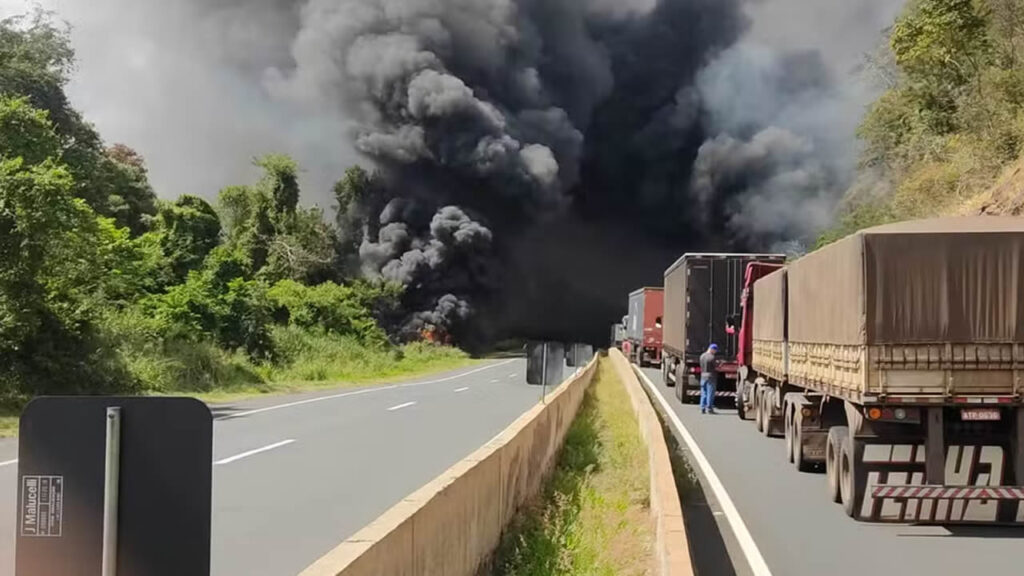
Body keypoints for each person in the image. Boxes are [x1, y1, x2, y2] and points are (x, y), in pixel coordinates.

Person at [699, 343, 720, 414]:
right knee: (710, 393)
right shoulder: (712, 357)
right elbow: (716, 366)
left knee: (703, 392)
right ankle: (709, 408)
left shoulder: (702, 356)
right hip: (711, 376)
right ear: (712, 349)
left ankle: (702, 407)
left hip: (703, 375)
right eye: (715, 350)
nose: (715, 352)